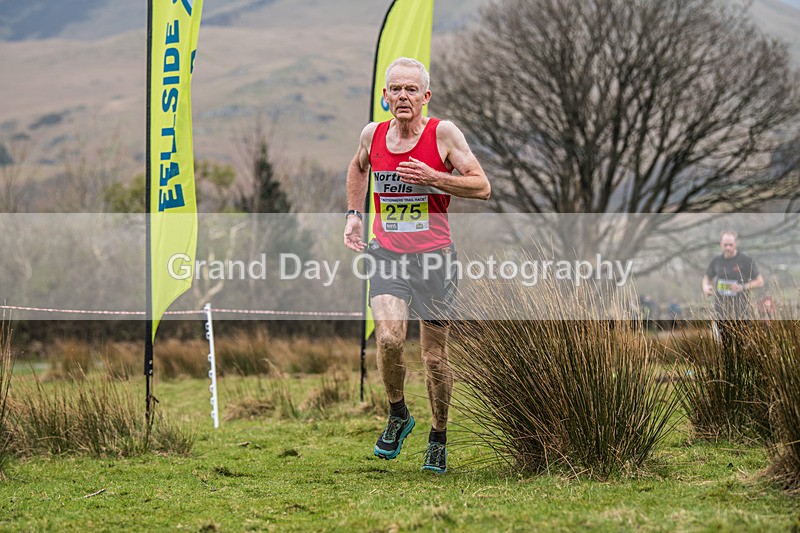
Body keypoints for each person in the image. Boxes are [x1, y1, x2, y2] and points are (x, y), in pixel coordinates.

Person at [343, 57, 490, 474]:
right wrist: (354, 214)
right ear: (385, 95)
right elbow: (357, 167)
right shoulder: (372, 135)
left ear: (426, 96)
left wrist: (434, 178)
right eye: (396, 89)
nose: (403, 96)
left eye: (411, 90)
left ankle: (438, 436)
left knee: (434, 357)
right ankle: (398, 414)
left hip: (434, 259)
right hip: (387, 254)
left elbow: (482, 186)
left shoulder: (442, 134)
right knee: (389, 338)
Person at [702, 230, 764, 343]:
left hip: (741, 310)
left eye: (730, 244)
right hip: (721, 310)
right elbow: (707, 278)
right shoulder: (716, 261)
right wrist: (706, 287)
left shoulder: (745, 260)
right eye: (725, 245)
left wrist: (742, 287)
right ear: (721, 244)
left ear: (736, 243)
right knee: (723, 343)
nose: (728, 247)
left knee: (742, 342)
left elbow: (759, 281)